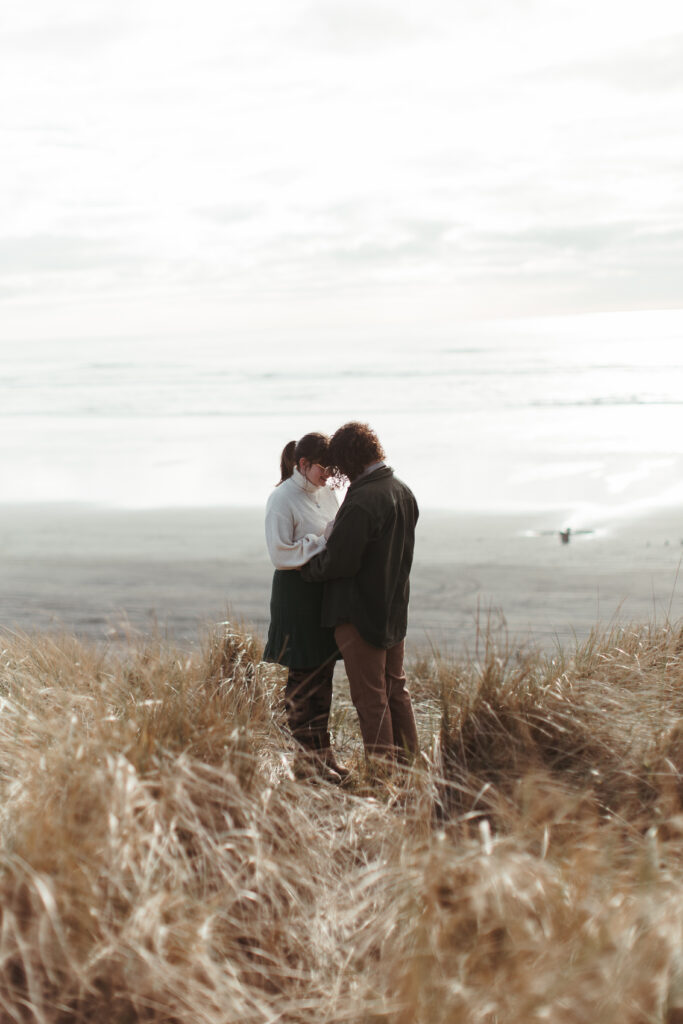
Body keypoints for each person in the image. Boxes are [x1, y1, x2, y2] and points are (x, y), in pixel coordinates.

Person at [300, 422, 420, 765]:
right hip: (393, 610)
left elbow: (340, 560)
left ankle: (382, 778)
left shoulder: (364, 499)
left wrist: (307, 569)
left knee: (370, 699)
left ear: (349, 459)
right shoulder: (402, 491)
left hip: (358, 613)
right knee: (396, 690)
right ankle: (412, 768)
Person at [263, 432, 348, 783]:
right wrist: (322, 540)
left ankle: (323, 754)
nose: (328, 475)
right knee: (302, 679)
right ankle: (304, 763)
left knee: (324, 676)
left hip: (322, 594)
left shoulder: (327, 492)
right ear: (303, 464)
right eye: (322, 468)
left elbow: (339, 529)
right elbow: (280, 553)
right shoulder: (281, 498)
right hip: (296, 595)